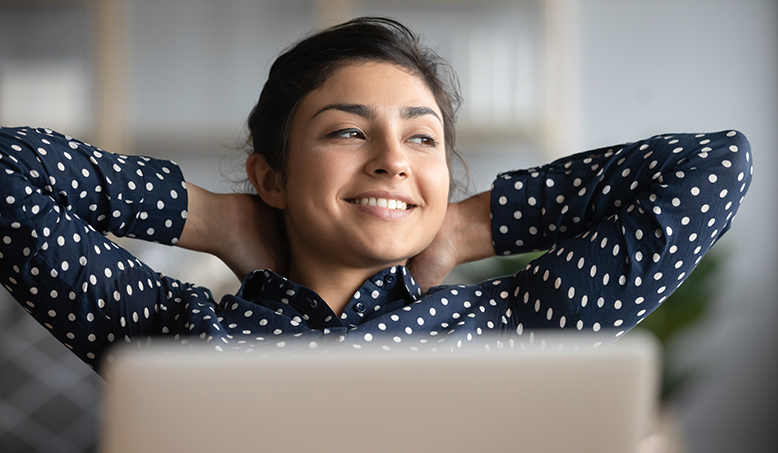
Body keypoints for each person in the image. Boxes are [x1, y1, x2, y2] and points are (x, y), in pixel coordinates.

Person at [0, 17, 753, 373]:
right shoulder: (172, 332)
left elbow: (714, 167)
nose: (394, 159)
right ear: (271, 177)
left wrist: (464, 227)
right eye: (348, 133)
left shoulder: (516, 323)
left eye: (422, 139)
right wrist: (213, 217)